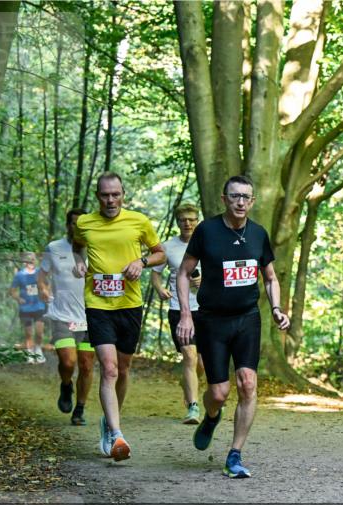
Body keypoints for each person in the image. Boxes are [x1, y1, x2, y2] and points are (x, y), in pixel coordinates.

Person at [175, 175, 290, 479]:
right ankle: (211, 418)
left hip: (247, 318)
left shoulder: (258, 234)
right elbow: (184, 274)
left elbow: (270, 278)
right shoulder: (207, 231)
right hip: (212, 320)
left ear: (252, 201)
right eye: (235, 196)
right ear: (224, 199)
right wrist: (186, 314)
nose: (241, 202)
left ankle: (235, 454)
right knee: (219, 393)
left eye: (246, 197)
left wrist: (277, 308)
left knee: (248, 383)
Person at [73, 172, 166, 462]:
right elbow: (78, 247)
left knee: (123, 369)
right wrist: (79, 263)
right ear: (97, 196)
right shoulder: (84, 222)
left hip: (130, 304)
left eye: (115, 194)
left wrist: (142, 262)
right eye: (104, 195)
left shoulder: (139, 221)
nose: (110, 200)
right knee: (109, 369)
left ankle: (109, 421)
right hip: (98, 304)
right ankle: (116, 433)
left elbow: (160, 253)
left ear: (123, 194)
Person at [39, 208, 95, 425]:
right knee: (69, 361)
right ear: (68, 225)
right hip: (61, 315)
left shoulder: (98, 248)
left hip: (91, 317)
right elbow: (42, 276)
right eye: (74, 224)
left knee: (87, 365)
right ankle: (66, 385)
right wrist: (43, 289)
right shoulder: (54, 248)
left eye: (82, 224)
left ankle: (79, 409)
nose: (77, 227)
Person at [152, 203, 204, 424]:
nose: (188, 223)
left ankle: (187, 384)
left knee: (202, 364)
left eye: (192, 219)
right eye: (183, 220)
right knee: (189, 356)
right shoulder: (168, 246)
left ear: (197, 221)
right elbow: (156, 273)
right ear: (177, 222)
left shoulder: (208, 243)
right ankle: (193, 407)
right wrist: (159, 288)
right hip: (178, 309)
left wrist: (205, 280)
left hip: (205, 309)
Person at [10, 252, 47, 363]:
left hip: (39, 306)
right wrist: (18, 299)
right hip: (25, 309)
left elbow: (47, 285)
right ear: (24, 261)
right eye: (28, 259)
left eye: (33, 258)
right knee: (29, 333)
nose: (31, 260)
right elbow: (11, 291)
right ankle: (30, 353)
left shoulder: (40, 273)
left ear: (35, 260)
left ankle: (38, 350)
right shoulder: (19, 275)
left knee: (39, 332)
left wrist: (45, 293)